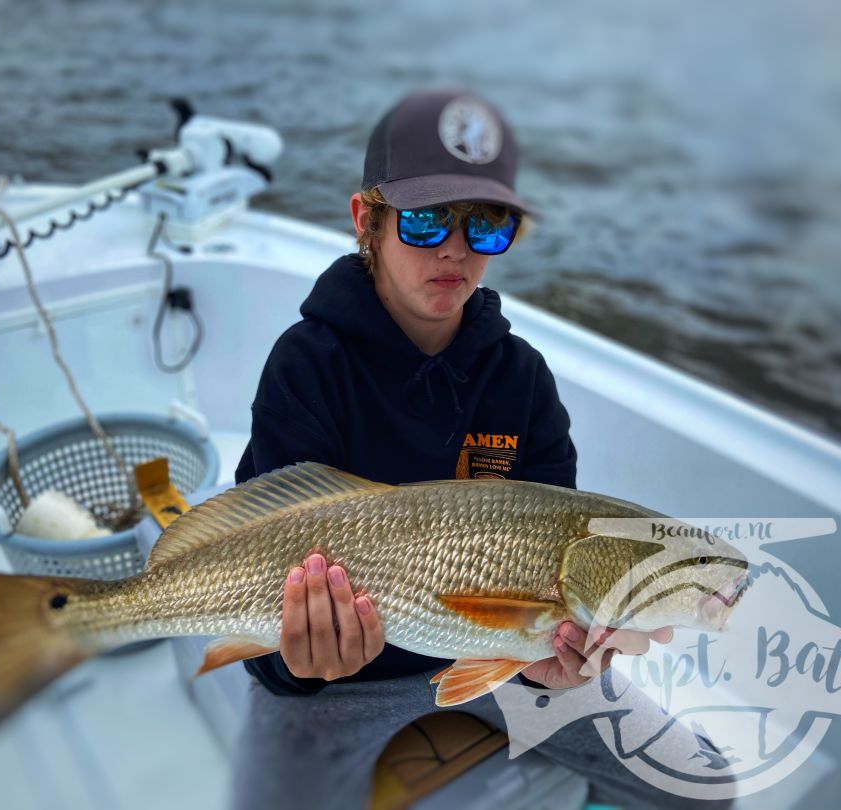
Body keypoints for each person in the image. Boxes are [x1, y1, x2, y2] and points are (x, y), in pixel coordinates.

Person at [227, 89, 726, 810]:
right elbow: (264, 567)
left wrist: (555, 667)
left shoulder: (521, 379)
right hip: (343, 682)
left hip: (499, 663)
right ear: (366, 219)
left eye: (487, 223)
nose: (457, 248)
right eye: (427, 219)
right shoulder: (307, 366)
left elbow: (553, 580)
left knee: (706, 787)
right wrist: (299, 668)